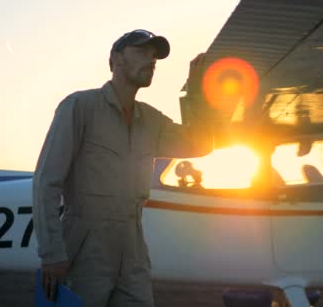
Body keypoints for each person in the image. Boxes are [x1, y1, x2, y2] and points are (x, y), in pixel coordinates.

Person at [32, 29, 214, 306]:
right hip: (85, 243)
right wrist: (52, 254)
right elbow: (46, 181)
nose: (151, 61)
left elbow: (200, 144)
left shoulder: (151, 120)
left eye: (154, 56)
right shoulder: (79, 106)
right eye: (142, 52)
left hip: (133, 245)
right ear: (116, 58)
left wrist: (198, 92)